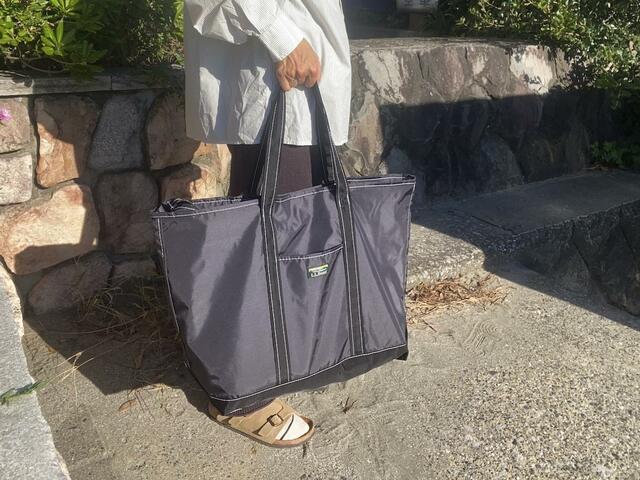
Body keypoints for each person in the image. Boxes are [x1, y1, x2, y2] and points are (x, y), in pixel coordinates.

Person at [182, 0, 352, 447]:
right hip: (274, 71)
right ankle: (243, 395)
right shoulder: (282, 46)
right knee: (263, 243)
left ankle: (267, 361)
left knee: (282, 242)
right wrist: (283, 37)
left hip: (293, 74)